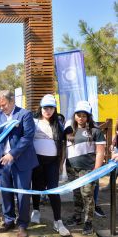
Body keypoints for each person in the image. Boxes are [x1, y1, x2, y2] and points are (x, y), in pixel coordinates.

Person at [0, 90, 38, 237]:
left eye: (3, 104)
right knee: (6, 192)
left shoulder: (25, 114)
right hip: (2, 161)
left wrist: (12, 153)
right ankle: (9, 220)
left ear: (12, 102)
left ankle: (22, 224)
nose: (1, 108)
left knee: (23, 194)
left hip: (21, 161)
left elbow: (28, 137)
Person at [29, 95, 70, 236]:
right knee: (36, 187)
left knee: (53, 190)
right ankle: (36, 211)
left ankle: (58, 221)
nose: (48, 110)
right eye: (45, 107)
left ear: (54, 108)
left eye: (51, 107)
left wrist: (61, 163)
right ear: (40, 107)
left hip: (53, 162)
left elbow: (63, 145)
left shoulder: (59, 122)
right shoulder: (33, 121)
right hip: (36, 161)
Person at [64, 101, 105, 235]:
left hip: (87, 170)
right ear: (74, 115)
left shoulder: (95, 131)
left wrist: (96, 170)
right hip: (72, 169)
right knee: (76, 195)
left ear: (88, 117)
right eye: (78, 115)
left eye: (84, 115)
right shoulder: (69, 130)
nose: (80, 118)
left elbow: (100, 152)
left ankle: (88, 223)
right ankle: (77, 217)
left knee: (87, 196)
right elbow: (64, 149)